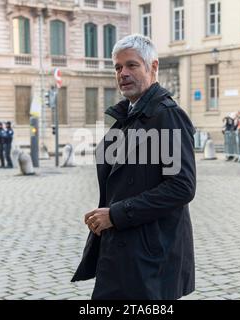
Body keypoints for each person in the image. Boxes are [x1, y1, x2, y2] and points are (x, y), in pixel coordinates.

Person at [72, 34, 197, 300]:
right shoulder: (128, 115)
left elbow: (181, 187)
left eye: (132, 65)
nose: (123, 73)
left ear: (153, 67)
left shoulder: (166, 115)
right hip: (125, 248)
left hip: (150, 255)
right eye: (117, 67)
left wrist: (116, 214)